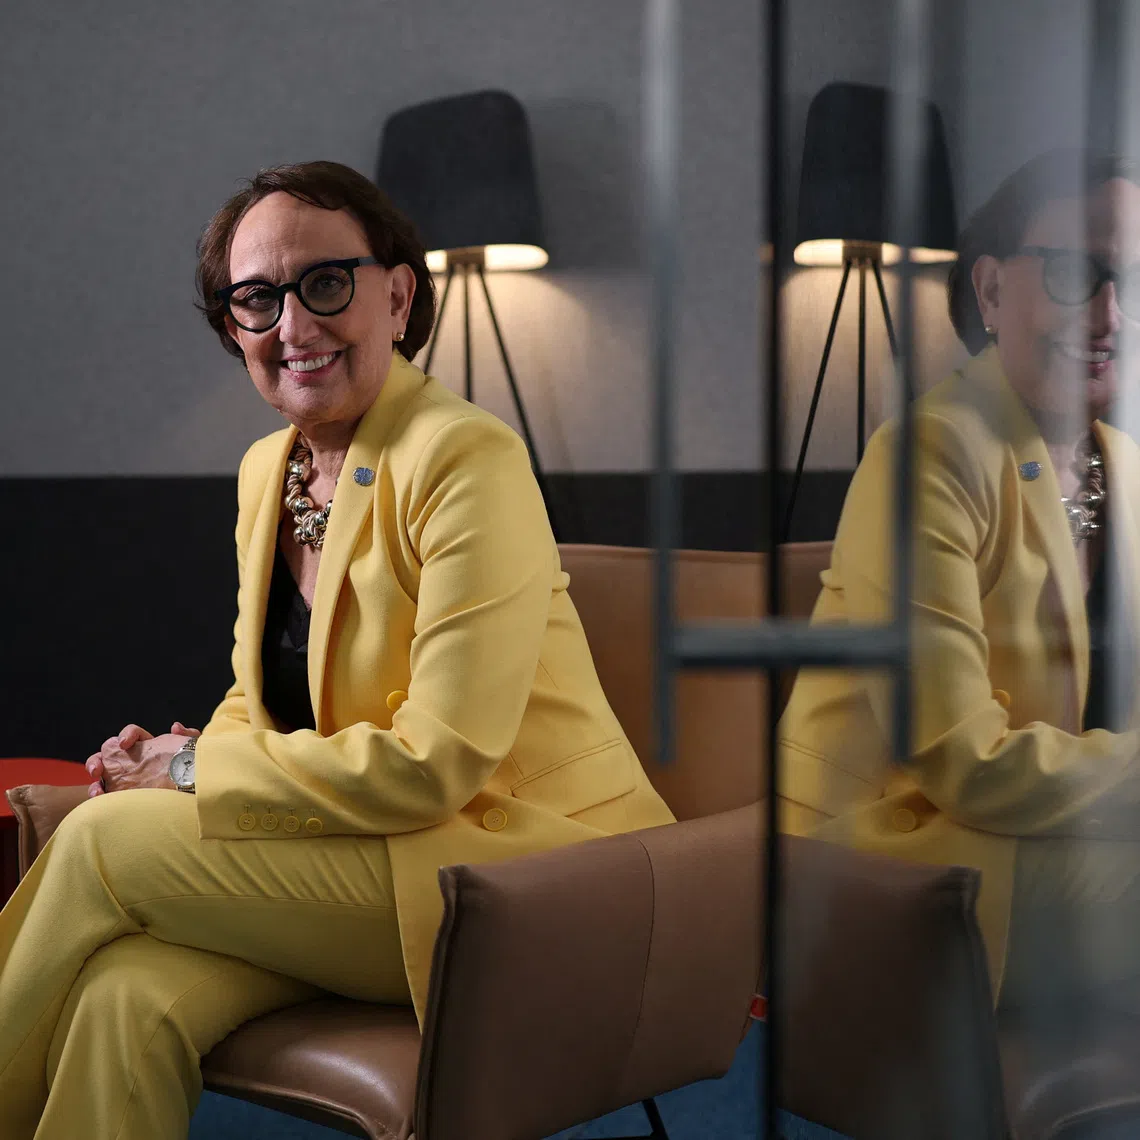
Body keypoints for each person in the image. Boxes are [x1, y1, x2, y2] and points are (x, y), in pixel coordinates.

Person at [0, 160, 676, 1139]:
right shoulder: (268, 471)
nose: (294, 325)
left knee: (100, 844)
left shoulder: (463, 456)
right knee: (123, 995)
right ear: (234, 328)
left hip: (529, 884)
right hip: (377, 862)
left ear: (396, 295)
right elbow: (261, 704)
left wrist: (192, 770)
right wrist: (182, 757)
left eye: (325, 284)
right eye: (257, 299)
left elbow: (436, 763)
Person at [778, 149, 1140, 1017]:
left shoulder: (1123, 466)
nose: (1109, 314)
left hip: (1045, 834)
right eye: (1069, 273)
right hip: (886, 855)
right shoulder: (928, 455)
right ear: (987, 293)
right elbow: (958, 761)